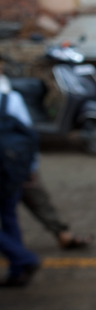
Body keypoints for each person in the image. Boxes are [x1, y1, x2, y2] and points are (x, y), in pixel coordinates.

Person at [0, 63, 41, 288]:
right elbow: (29, 136)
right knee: (9, 218)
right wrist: (31, 167)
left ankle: (24, 259)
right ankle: (18, 271)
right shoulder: (12, 99)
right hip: (12, 169)